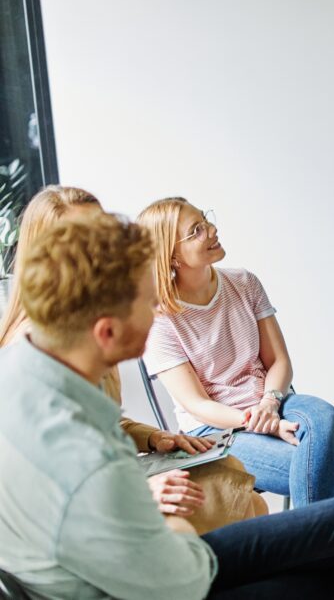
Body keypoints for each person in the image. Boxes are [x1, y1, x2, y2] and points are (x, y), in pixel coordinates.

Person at [0, 214, 334, 599]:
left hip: (140, 563)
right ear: (107, 331)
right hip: (167, 580)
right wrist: (168, 518)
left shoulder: (23, 369)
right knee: (326, 577)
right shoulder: (88, 464)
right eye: (148, 305)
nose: (157, 313)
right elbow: (182, 581)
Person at [0, 185, 266, 532]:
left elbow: (100, 424)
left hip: (116, 476)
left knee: (234, 474)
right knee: (239, 493)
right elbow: (49, 477)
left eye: (104, 232)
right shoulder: (39, 352)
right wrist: (136, 491)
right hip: (92, 505)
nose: (108, 249)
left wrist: (155, 437)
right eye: (87, 239)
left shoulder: (88, 329)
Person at [137, 197, 334, 507]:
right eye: (196, 230)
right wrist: (255, 420)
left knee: (324, 416)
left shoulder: (244, 282)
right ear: (171, 256)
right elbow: (198, 404)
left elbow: (278, 361)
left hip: (272, 400)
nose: (211, 230)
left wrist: (269, 404)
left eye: (206, 220)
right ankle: (316, 550)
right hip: (215, 431)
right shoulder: (160, 321)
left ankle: (311, 547)